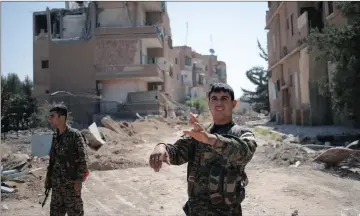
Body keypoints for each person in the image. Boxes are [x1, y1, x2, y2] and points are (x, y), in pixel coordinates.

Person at [149, 83, 257, 216]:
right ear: (209, 103)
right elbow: (177, 153)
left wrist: (211, 139)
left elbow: (245, 152)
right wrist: (161, 147)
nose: (219, 102)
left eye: (224, 98)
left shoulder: (241, 133)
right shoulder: (199, 133)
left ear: (234, 104)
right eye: (214, 98)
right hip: (197, 211)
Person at [45, 104, 88, 216]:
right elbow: (52, 160)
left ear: (62, 117)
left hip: (71, 186)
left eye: (52, 116)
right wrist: (48, 177)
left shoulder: (75, 135)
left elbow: (84, 159)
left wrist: (78, 181)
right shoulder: (55, 136)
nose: (50, 119)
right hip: (57, 187)